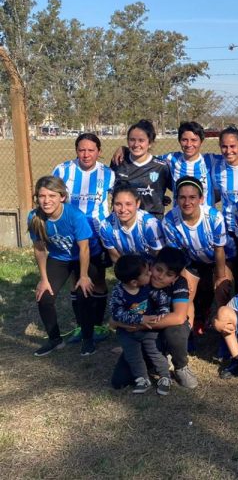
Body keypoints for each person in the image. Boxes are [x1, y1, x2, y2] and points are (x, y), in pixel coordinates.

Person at [53, 132, 115, 346]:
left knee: (97, 279)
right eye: (82, 150)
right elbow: (53, 197)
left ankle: (97, 324)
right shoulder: (63, 170)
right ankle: (81, 325)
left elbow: (120, 199)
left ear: (99, 152)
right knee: (75, 279)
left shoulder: (108, 174)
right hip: (70, 234)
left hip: (96, 235)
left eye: (91, 150)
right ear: (76, 151)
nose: (86, 154)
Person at [27, 176, 99, 357]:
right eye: (42, 196)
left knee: (84, 292)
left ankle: (88, 338)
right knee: (44, 296)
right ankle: (54, 340)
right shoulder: (34, 217)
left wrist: (83, 276)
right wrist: (44, 279)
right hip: (59, 258)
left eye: (52, 195)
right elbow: (39, 249)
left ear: (62, 197)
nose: (46, 200)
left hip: (81, 257)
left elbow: (84, 248)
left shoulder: (75, 216)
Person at [110, 247, 199, 389]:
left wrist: (140, 324)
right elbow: (113, 320)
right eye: (158, 270)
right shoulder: (138, 279)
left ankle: (181, 366)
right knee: (120, 380)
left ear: (175, 277)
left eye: (169, 274)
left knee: (176, 330)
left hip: (162, 330)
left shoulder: (180, 283)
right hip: (142, 336)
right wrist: (125, 322)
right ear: (151, 265)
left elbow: (179, 317)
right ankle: (158, 357)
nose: (160, 276)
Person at [161, 176, 235, 334]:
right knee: (185, 293)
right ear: (177, 199)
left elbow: (219, 250)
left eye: (192, 197)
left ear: (201, 199)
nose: (187, 202)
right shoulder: (169, 221)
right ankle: (187, 332)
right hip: (193, 260)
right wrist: (180, 281)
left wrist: (220, 277)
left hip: (220, 259)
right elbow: (177, 254)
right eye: (182, 197)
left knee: (222, 289)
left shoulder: (214, 217)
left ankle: (225, 333)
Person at [109, 255, 172, 395]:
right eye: (146, 273)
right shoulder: (118, 292)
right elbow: (116, 313)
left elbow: (162, 299)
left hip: (149, 331)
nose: (150, 273)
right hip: (127, 334)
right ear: (133, 282)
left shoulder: (148, 287)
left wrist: (163, 310)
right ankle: (142, 379)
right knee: (133, 356)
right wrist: (139, 319)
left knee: (154, 353)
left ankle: (165, 377)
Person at [110, 119, 172, 219]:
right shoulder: (118, 161)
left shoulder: (161, 167)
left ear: (150, 143)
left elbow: (177, 190)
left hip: (152, 224)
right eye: (132, 140)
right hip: (122, 222)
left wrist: (160, 198)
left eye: (141, 140)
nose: (136, 144)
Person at [99, 182, 165, 262]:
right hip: (128, 269)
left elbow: (161, 259)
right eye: (118, 204)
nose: (123, 209)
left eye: (128, 204)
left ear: (137, 204)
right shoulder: (105, 227)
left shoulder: (151, 225)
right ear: (112, 204)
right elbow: (116, 258)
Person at [211, 126, 238, 234]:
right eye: (224, 146)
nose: (228, 151)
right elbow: (217, 194)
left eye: (232, 146)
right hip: (229, 227)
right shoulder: (216, 168)